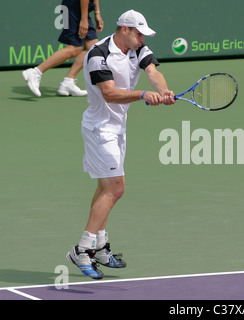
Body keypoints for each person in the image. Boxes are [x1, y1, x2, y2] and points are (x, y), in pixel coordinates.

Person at [66, 9, 175, 279]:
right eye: (139, 33)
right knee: (116, 188)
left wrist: (163, 90)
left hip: (117, 129)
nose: (142, 38)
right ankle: (82, 249)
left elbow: (152, 71)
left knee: (105, 186)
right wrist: (142, 95)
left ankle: (100, 245)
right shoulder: (97, 55)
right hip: (99, 129)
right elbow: (110, 93)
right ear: (124, 29)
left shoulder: (139, 49)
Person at [22, 0, 104, 97]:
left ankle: (68, 83)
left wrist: (97, 12)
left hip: (80, 8)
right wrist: (84, 19)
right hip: (74, 8)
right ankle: (35, 72)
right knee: (74, 48)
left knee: (91, 47)